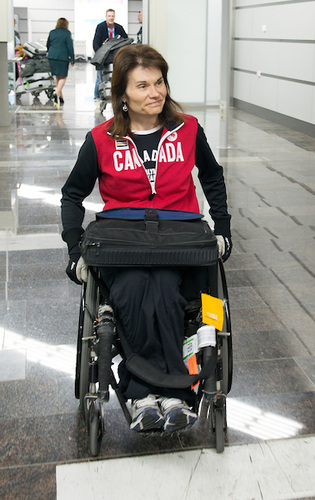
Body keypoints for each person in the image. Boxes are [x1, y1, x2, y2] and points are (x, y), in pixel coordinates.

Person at [61, 44, 232, 433]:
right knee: (136, 284)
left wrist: (222, 228)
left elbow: (212, 176)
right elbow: (72, 195)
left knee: (165, 286)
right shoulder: (102, 139)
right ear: (122, 95)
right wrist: (74, 250)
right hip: (125, 242)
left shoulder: (187, 129)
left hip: (178, 238)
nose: (155, 93)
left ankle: (156, 394)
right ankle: (157, 394)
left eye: (159, 83)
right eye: (142, 86)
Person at [92, 8, 128, 102]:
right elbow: (96, 42)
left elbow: (126, 40)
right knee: (100, 78)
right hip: (103, 57)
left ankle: (116, 96)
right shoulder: (101, 27)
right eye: (109, 16)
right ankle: (97, 97)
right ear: (106, 17)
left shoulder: (119, 28)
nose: (111, 18)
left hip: (115, 57)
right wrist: (99, 53)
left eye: (112, 16)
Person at [46, 18, 75, 107]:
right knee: (63, 77)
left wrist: (50, 52)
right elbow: (70, 46)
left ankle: (60, 97)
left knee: (58, 76)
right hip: (62, 57)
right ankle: (57, 92)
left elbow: (48, 44)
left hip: (51, 56)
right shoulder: (67, 33)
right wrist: (72, 58)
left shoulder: (52, 32)